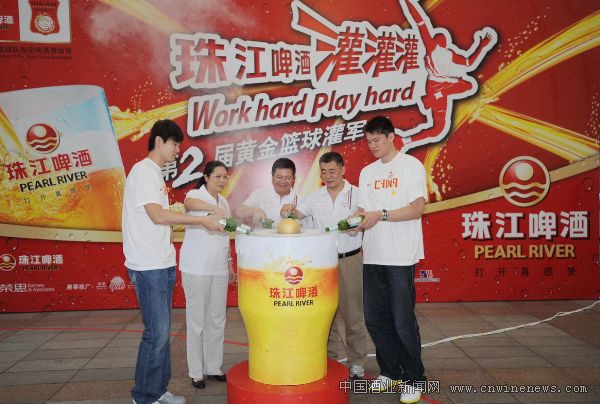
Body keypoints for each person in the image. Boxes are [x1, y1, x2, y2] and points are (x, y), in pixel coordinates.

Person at [122, 119, 223, 404]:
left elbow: (159, 217)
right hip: (147, 265)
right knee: (156, 334)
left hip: (161, 262)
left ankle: (157, 390)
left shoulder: (154, 174)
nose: (179, 150)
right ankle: (144, 396)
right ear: (159, 141)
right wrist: (201, 222)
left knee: (162, 334)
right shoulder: (144, 172)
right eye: (175, 143)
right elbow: (157, 216)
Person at [356, 116, 428, 404]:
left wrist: (382, 214)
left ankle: (414, 377)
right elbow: (364, 211)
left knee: (402, 321)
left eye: (377, 140)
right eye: (368, 141)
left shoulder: (411, 166)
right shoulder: (367, 172)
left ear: (391, 137)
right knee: (375, 319)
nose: (372, 145)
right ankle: (390, 371)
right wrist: (354, 221)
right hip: (373, 254)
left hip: (400, 256)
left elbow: (417, 208)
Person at [281, 151, 368, 379]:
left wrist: (357, 222)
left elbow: (366, 217)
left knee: (353, 314)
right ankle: (328, 359)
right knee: (324, 314)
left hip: (350, 260)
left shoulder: (358, 194)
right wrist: (288, 212)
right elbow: (297, 215)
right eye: (324, 172)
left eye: (332, 171)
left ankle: (357, 362)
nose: (328, 176)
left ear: (343, 170)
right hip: (322, 265)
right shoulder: (315, 196)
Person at [396, 0, 496, 152]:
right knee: (439, 128)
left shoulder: (449, 54)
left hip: (440, 88)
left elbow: (470, 63)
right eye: (439, 36)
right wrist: (409, 3)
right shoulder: (434, 47)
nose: (441, 37)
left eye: (442, 37)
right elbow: (420, 21)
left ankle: (405, 140)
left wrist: (483, 46)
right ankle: (405, 140)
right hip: (433, 86)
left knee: (467, 86)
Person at [179, 160, 236, 389]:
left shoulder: (224, 201)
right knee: (197, 321)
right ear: (206, 177)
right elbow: (189, 203)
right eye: (217, 176)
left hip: (219, 268)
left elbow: (225, 237)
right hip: (196, 268)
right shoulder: (196, 195)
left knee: (217, 319)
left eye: (225, 177)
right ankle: (196, 371)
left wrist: (230, 265)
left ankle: (213, 366)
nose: (222, 180)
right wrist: (213, 209)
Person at [236, 157, 303, 226]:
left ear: (293, 179)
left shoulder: (300, 198)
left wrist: (295, 214)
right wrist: (254, 210)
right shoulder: (261, 193)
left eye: (288, 178)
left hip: (289, 233)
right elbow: (240, 211)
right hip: (262, 233)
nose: (283, 181)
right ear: (272, 177)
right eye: (279, 177)